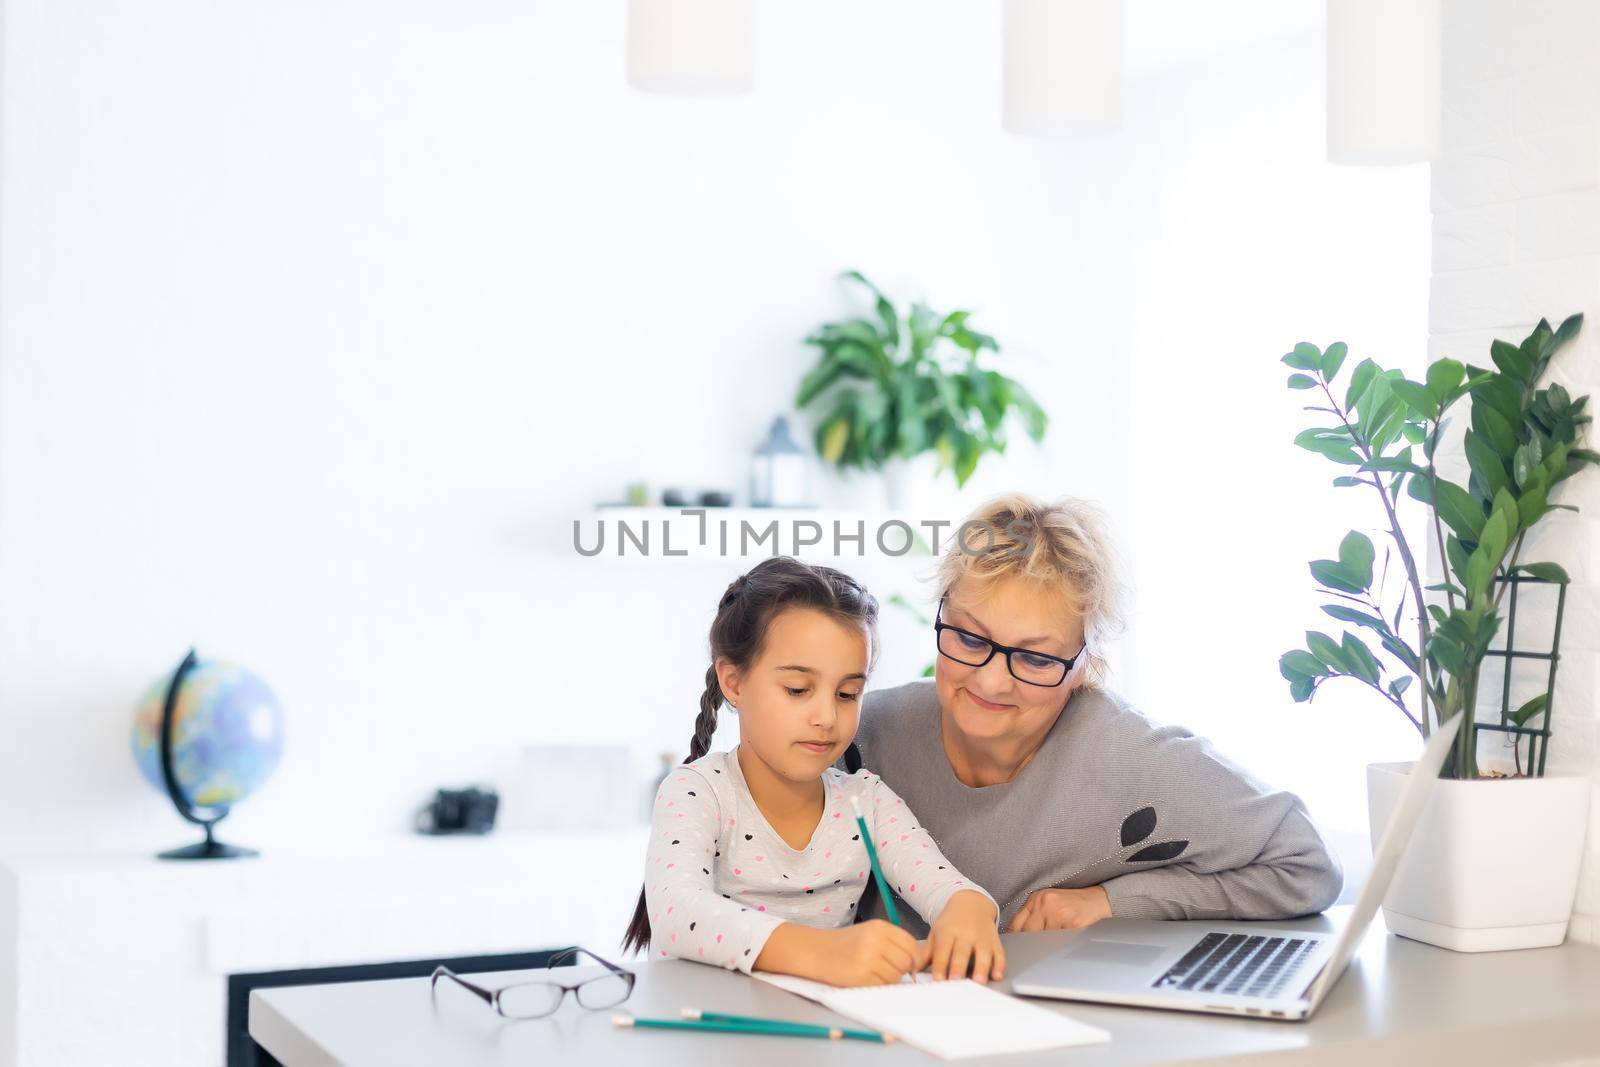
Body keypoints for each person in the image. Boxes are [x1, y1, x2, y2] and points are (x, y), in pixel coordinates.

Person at [849, 493, 1343, 935]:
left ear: (1086, 665)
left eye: (1036, 658)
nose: (991, 681)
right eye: (971, 638)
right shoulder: (862, 730)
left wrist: (1113, 902)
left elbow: (1307, 865)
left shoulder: (1132, 759)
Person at [622, 556, 1005, 985]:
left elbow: (943, 885)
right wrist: (817, 951)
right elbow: (679, 915)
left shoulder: (866, 800)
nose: (826, 716)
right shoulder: (696, 792)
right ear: (733, 681)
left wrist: (969, 909)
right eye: (798, 689)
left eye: (847, 693)